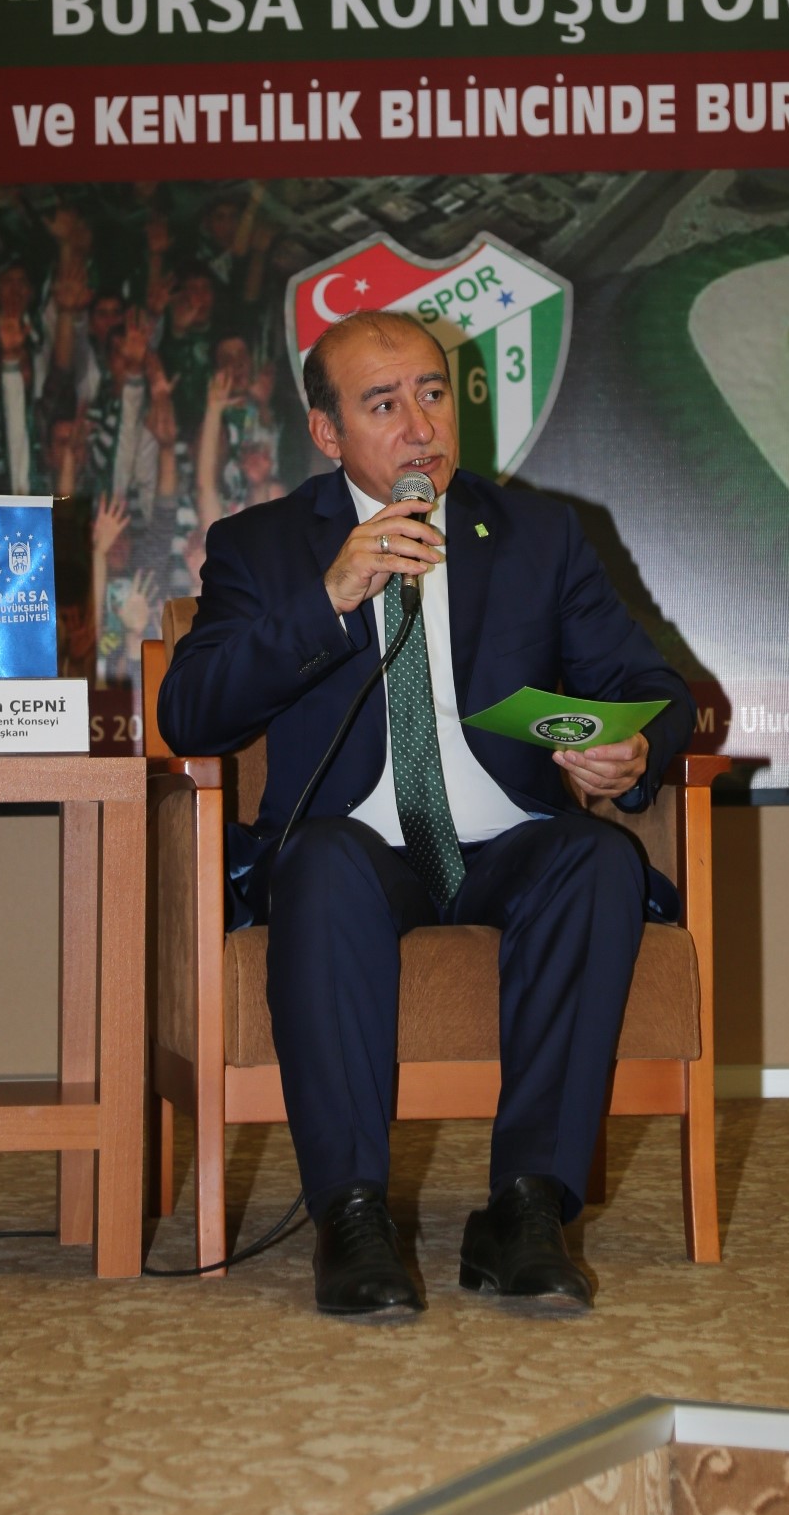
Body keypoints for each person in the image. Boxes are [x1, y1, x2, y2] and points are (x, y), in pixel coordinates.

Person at [159, 310, 695, 1318]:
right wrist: (329, 595)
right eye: (383, 403)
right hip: (355, 848)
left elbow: (653, 687)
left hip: (504, 840)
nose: (419, 425)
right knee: (320, 861)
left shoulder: (535, 534)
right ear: (327, 433)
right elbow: (188, 712)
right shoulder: (263, 546)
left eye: (433, 393)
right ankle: (352, 1217)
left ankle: (527, 1211)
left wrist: (634, 749)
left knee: (597, 859)